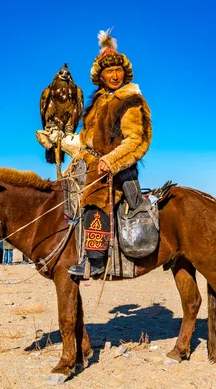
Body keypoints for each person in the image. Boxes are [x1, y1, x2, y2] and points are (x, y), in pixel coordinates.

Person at [68, 29, 152, 277]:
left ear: (125, 73)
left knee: (95, 202)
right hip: (93, 167)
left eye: (118, 71)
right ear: (100, 76)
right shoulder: (97, 104)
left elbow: (137, 139)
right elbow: (88, 142)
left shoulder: (130, 99)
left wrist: (110, 160)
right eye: (109, 71)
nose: (115, 76)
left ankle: (95, 262)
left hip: (117, 171)